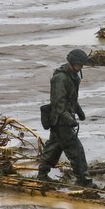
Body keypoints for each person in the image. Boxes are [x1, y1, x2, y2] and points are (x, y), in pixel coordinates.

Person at [37, 49, 93, 187]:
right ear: (73, 63)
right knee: (75, 149)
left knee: (54, 147)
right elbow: (58, 103)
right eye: (80, 64)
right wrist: (69, 120)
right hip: (60, 120)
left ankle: (42, 174)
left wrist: (79, 112)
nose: (82, 67)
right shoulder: (60, 78)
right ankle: (82, 179)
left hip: (64, 118)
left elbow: (71, 99)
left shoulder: (73, 76)